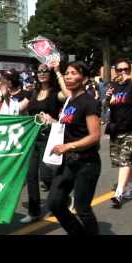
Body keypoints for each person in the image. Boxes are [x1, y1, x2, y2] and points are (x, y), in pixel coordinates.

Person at [47, 61, 102, 235]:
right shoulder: (70, 101)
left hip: (86, 163)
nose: (68, 76)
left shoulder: (88, 102)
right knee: (55, 203)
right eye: (67, 73)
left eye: (73, 73)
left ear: (84, 78)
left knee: (82, 209)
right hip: (68, 161)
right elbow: (69, 127)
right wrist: (51, 121)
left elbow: (95, 136)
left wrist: (68, 146)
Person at [19, 60, 70, 224]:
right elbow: (19, 109)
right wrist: (4, 95)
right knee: (31, 175)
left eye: (45, 71)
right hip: (33, 137)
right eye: (39, 71)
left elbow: (68, 95)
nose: (41, 73)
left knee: (46, 174)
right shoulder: (33, 93)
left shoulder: (55, 93)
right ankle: (34, 212)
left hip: (50, 136)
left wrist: (58, 71)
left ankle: (63, 198)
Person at [106, 59, 132, 208]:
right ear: (115, 71)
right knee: (124, 160)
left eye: (126, 69)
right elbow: (104, 105)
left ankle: (119, 193)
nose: (123, 72)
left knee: (125, 159)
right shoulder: (113, 86)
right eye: (119, 70)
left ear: (130, 69)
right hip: (116, 129)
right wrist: (107, 97)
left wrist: (130, 79)